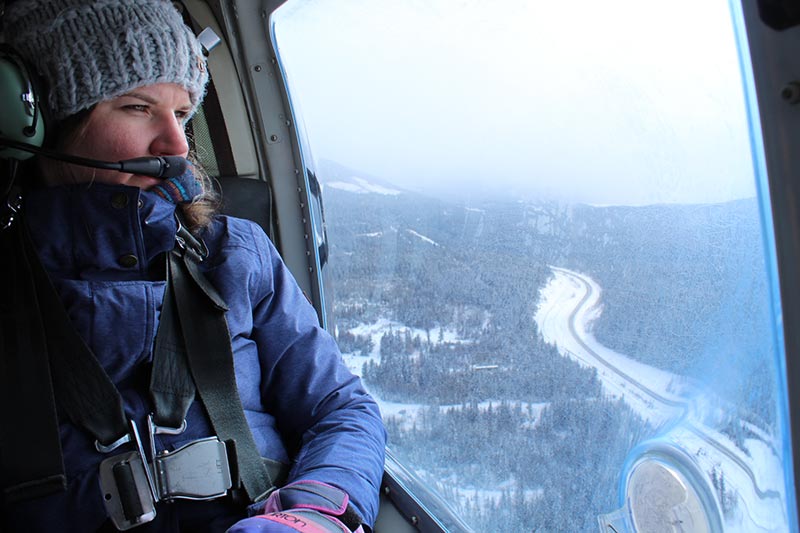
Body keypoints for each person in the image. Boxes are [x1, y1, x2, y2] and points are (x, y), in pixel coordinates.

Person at [0, 1, 386, 532]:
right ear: (38, 123)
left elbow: (340, 408)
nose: (177, 144)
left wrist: (312, 516)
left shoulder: (235, 252)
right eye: (138, 107)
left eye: (182, 114)